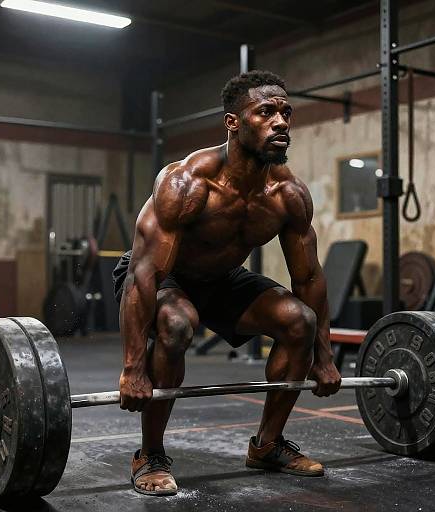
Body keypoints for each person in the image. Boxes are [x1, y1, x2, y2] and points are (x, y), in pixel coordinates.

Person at [113, 70, 341, 496]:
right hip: (166, 276)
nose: (281, 122)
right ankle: (150, 454)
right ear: (233, 122)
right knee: (178, 324)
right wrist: (133, 367)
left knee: (299, 320)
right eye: (266, 112)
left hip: (222, 279)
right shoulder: (186, 183)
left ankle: (268, 445)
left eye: (286, 112)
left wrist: (324, 356)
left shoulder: (287, 193)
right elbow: (144, 273)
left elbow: (308, 276)